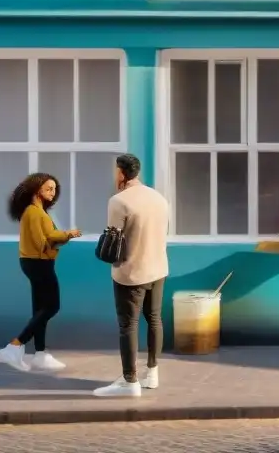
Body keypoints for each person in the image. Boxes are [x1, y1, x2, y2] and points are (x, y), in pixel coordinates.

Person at [93, 154, 170, 398]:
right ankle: (152, 374)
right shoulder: (158, 198)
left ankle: (130, 381)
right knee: (154, 319)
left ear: (121, 173)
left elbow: (114, 238)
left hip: (131, 273)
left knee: (128, 325)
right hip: (158, 268)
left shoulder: (119, 201)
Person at [0, 173, 81, 372]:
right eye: (48, 188)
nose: (52, 192)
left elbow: (50, 237)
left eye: (54, 189)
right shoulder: (33, 212)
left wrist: (63, 236)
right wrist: (67, 234)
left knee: (40, 308)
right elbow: (42, 242)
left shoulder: (38, 212)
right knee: (52, 306)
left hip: (37, 262)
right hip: (38, 263)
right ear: (37, 190)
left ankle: (40, 354)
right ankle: (15, 345)